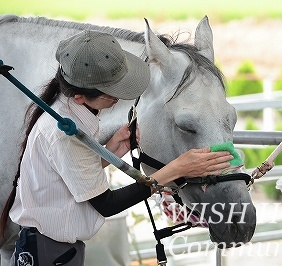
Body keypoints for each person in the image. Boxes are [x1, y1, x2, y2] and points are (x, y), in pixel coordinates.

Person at [0, 30, 233, 265]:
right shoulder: (64, 132)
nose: (119, 98)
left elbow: (66, 176)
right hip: (48, 255)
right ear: (81, 97)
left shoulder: (70, 110)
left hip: (53, 250)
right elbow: (107, 204)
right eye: (113, 93)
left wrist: (110, 151)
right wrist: (177, 169)